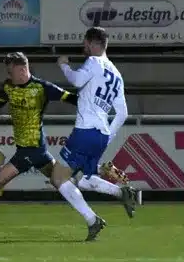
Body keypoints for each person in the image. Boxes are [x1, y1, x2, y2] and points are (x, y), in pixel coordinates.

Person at [0, 51, 75, 232]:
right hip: (34, 150)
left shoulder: (42, 87)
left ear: (23, 69)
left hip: (30, 150)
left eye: (11, 71)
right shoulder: (9, 87)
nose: (8, 75)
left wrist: (93, 108)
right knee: (63, 182)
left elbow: (70, 97)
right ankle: (106, 188)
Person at [51, 26, 140, 241]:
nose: (84, 47)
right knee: (80, 178)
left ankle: (93, 220)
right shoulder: (117, 74)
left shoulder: (93, 62)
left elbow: (76, 81)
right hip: (100, 135)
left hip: (85, 130)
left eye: (85, 44)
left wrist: (63, 65)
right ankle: (121, 193)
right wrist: (107, 136)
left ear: (92, 43)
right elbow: (123, 113)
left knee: (58, 178)